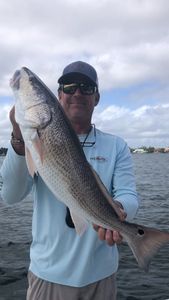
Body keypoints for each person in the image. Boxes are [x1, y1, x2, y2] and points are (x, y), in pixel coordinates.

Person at [0, 61, 139, 300]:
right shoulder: (31, 141)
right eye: (68, 86)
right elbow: (11, 196)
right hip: (48, 277)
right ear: (58, 95)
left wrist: (120, 211)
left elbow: (129, 194)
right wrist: (18, 138)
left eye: (86, 87)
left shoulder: (116, 146)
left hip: (102, 277)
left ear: (96, 97)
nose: (77, 92)